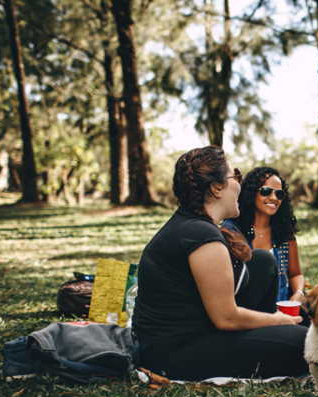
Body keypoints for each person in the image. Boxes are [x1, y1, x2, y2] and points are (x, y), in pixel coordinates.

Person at [132, 146, 308, 380]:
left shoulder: (195, 225)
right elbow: (226, 318)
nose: (239, 183)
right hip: (177, 352)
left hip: (199, 329)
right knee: (308, 344)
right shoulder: (200, 236)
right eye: (235, 175)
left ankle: (274, 332)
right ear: (216, 188)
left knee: (263, 261)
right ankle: (278, 333)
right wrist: (278, 320)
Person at [231, 167, 306, 305]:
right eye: (266, 191)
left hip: (281, 308)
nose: (273, 198)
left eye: (279, 194)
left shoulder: (284, 233)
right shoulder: (233, 230)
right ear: (251, 193)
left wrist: (298, 293)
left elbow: (295, 274)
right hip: (245, 311)